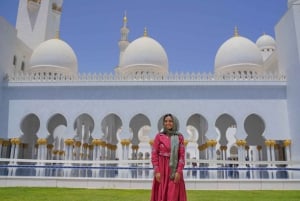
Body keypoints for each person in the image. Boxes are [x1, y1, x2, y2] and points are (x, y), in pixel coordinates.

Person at [150, 113, 187, 201]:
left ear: (174, 123)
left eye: (170, 121)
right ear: (163, 123)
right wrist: (157, 171)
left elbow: (181, 156)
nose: (168, 123)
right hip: (162, 171)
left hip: (174, 170)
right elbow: (154, 154)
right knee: (162, 194)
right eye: (166, 121)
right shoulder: (159, 137)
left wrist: (179, 171)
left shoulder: (179, 137)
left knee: (173, 195)